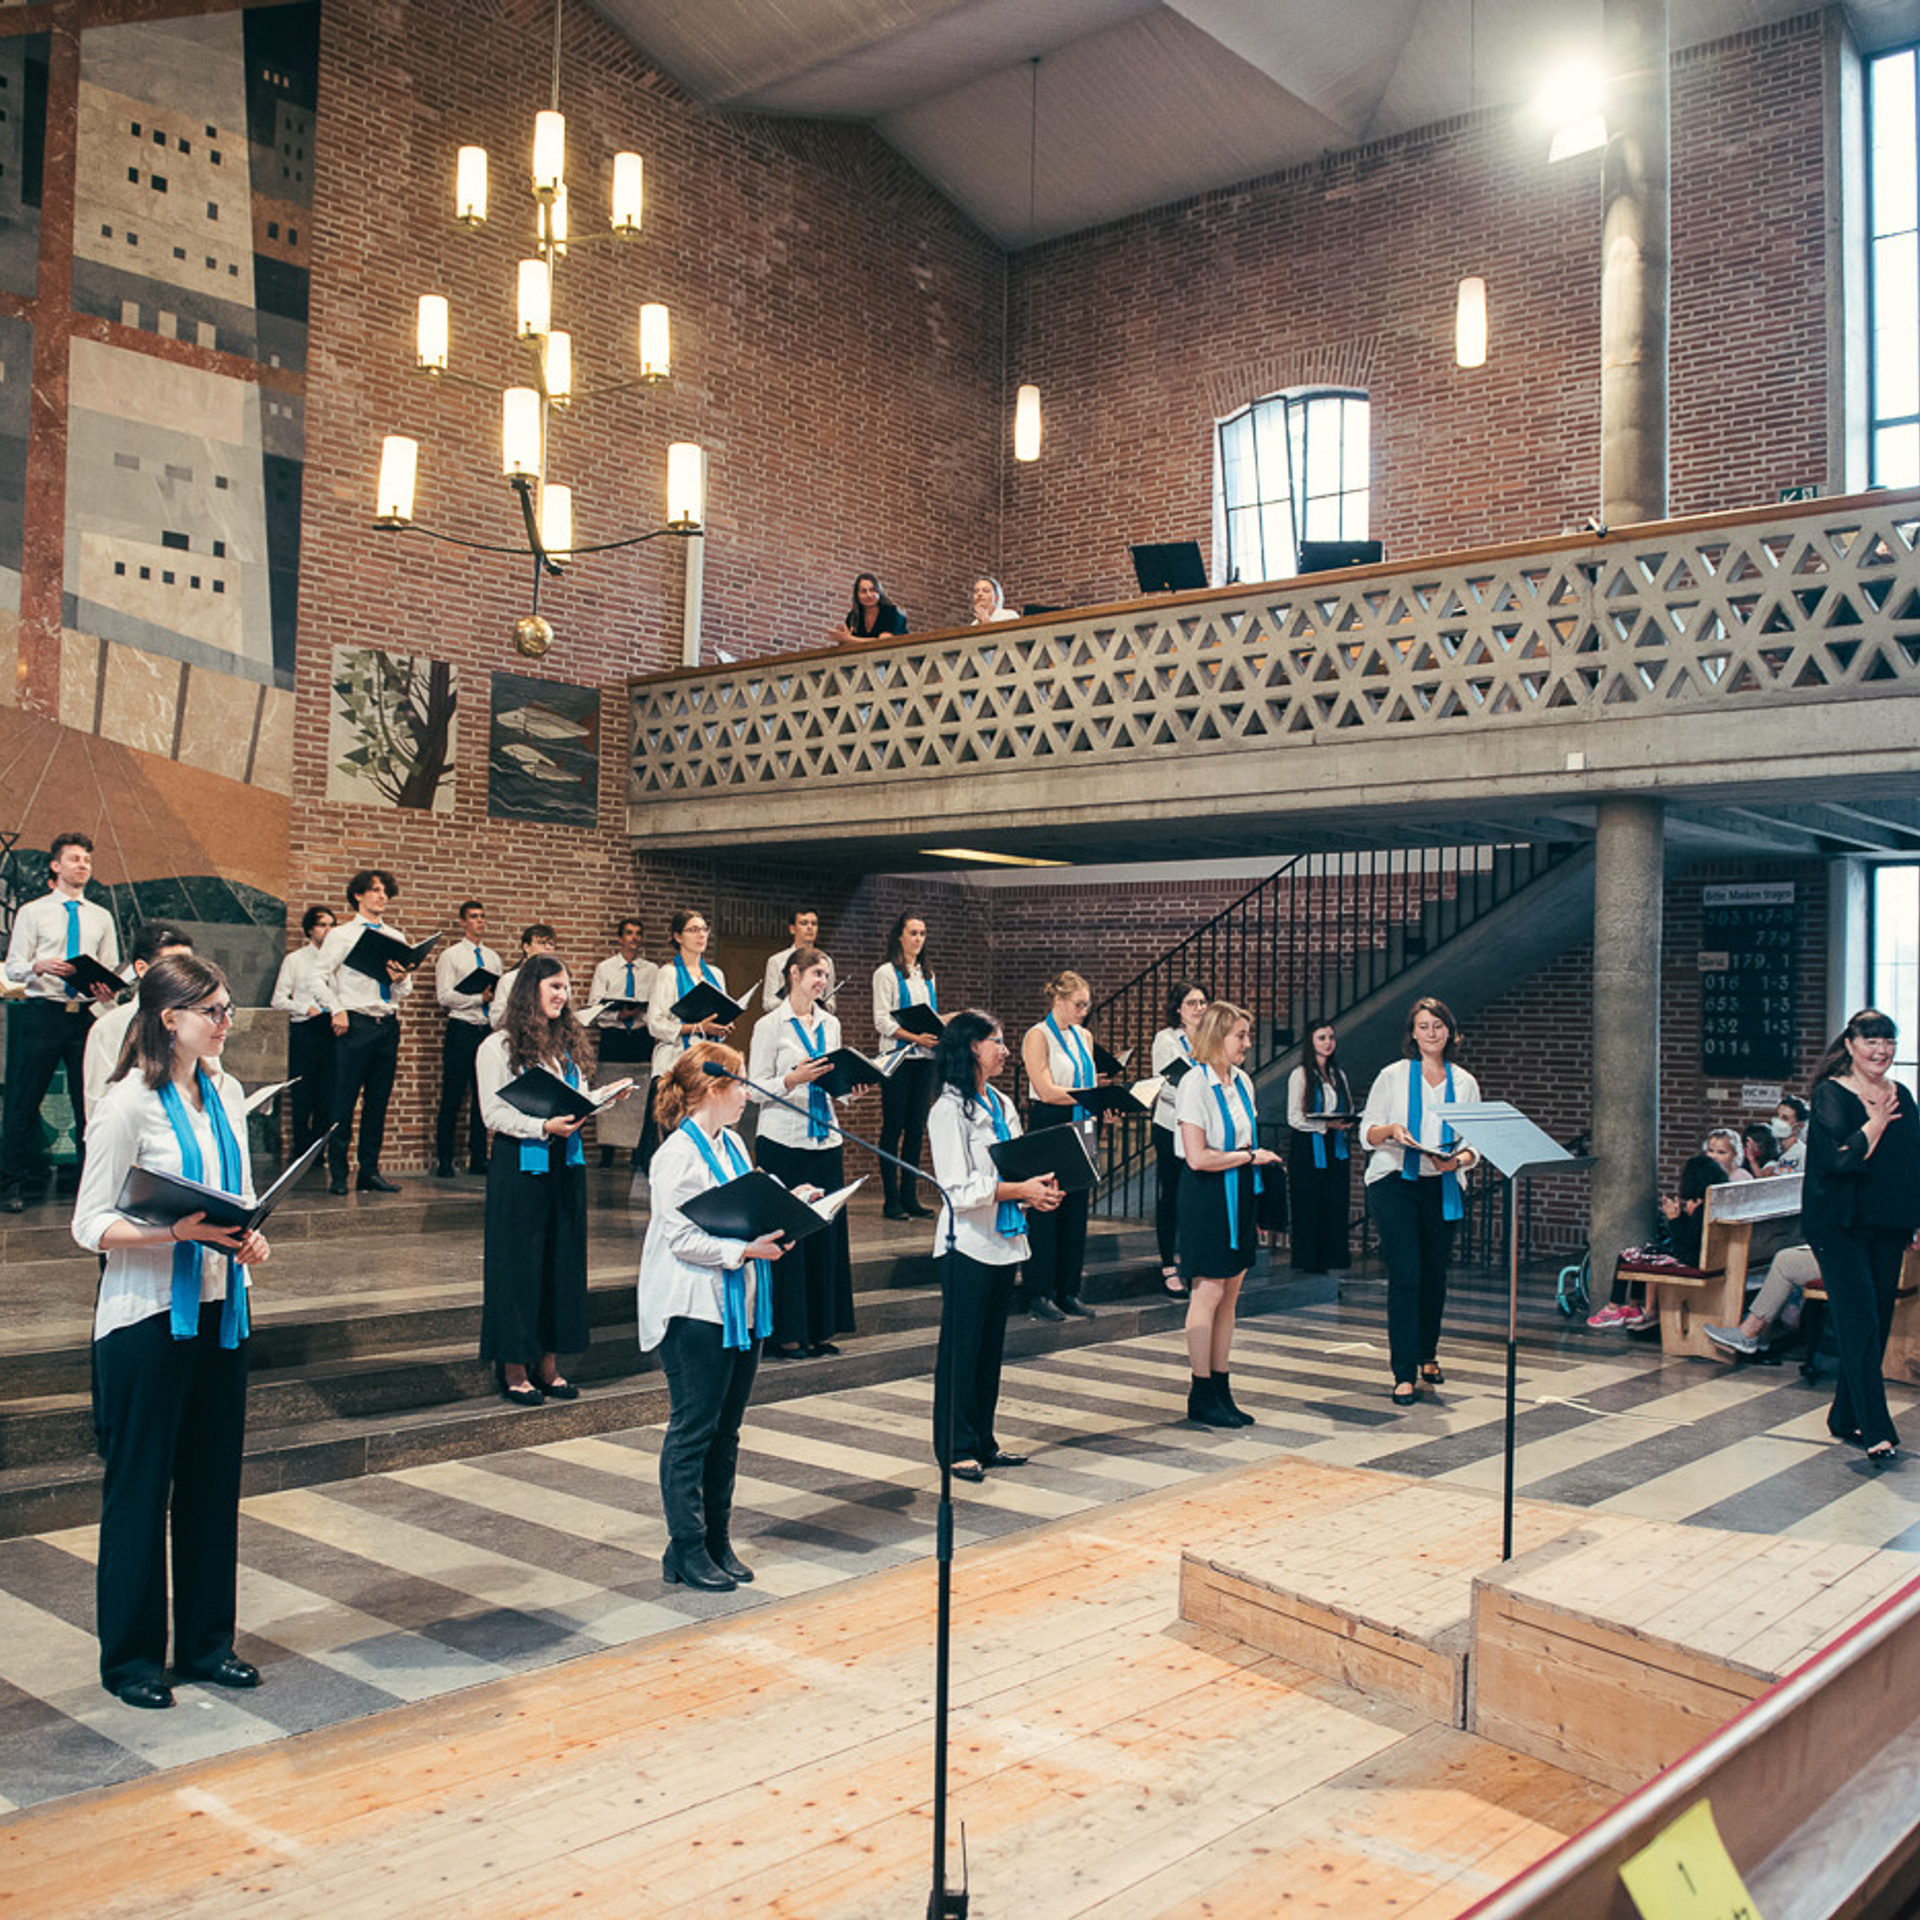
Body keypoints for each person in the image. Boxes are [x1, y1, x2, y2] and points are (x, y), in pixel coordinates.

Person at [72, 953, 269, 1709]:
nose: (225, 1024)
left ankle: (207, 1645)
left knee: (213, 1489)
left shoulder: (227, 1092)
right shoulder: (127, 1103)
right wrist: (174, 1233)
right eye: (212, 1011)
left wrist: (252, 1238)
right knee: (139, 1492)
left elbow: (242, 1198)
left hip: (223, 1311)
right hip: (146, 1321)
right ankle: (131, 1661)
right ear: (169, 1019)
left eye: (226, 1010)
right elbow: (88, 1225)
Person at [637, 1044, 788, 1593]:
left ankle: (717, 1539)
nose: (748, 1092)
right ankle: (686, 1547)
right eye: (741, 1083)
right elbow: (681, 1237)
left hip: (738, 1304)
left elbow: (743, 1210)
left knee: (727, 1431)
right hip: (694, 1307)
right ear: (712, 1088)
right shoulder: (678, 1154)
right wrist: (743, 1251)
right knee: (693, 1430)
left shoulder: (734, 1147)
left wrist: (790, 1206)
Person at [927, 1010, 1062, 1482]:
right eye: (997, 1042)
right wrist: (1020, 1190)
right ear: (971, 1048)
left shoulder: (1001, 1102)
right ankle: (955, 1446)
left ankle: (983, 1440)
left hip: (1003, 1241)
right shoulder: (947, 1110)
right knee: (961, 1352)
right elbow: (957, 1189)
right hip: (967, 1245)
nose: (1005, 1050)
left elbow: (1018, 1163)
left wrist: (1038, 1190)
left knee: (988, 1351)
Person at [476, 956, 616, 1406]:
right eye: (554, 986)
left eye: (566, 987)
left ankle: (549, 1366)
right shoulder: (496, 1046)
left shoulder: (565, 1046)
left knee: (561, 1263)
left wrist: (601, 1101)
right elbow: (492, 1113)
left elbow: (570, 1101)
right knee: (519, 1266)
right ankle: (514, 1368)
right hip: (521, 1165)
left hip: (566, 1164)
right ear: (529, 990)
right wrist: (542, 1128)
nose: (563, 995)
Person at [1801, 1008, 1920, 1464]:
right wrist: (1874, 1122)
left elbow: (1911, 1161)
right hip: (1837, 1225)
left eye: (1888, 1041)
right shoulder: (1832, 1093)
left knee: (1879, 1319)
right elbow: (1840, 1161)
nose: (1881, 1051)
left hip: (1886, 1224)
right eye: (1871, 1041)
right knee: (1859, 1321)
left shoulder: (1902, 1095)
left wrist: (1914, 1218)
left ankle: (1843, 1414)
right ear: (1850, 1045)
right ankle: (1876, 1426)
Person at [1362, 996, 1482, 1406]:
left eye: (1438, 1026)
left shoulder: (1464, 1082)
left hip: (1441, 1184)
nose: (1432, 1033)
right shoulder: (1393, 1076)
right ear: (1412, 1033)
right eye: (1424, 1026)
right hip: (1394, 1180)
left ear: (1449, 1031)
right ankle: (1403, 1372)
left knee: (1434, 1274)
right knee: (1406, 1273)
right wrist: (1390, 1130)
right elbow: (1367, 1130)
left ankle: (1428, 1352)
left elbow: (1473, 1145)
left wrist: (1458, 1162)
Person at [1176, 999, 1283, 1427]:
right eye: (1240, 1035)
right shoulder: (1193, 1083)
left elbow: (1243, 1141)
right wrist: (1250, 1156)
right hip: (1206, 1194)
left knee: (1231, 1293)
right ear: (1217, 1035)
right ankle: (1200, 1391)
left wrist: (1250, 1163)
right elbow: (1197, 1157)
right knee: (1208, 1292)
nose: (1246, 1043)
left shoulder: (1241, 1081)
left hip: (1240, 1190)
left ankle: (1221, 1387)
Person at [748, 948, 859, 1358]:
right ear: (793, 974)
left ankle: (820, 1328)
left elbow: (833, 1080)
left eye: (826, 976)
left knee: (824, 1233)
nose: (822, 982)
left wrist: (850, 1089)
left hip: (824, 1139)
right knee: (789, 1236)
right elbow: (753, 1088)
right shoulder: (769, 1025)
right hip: (783, 1141)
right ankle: (787, 1332)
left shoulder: (831, 1023)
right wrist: (791, 1079)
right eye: (815, 973)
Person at [2, 831, 121, 1212]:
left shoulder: (101, 917)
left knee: (90, 1104)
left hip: (84, 1016)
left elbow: (111, 967)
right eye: (74, 859)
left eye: (86, 860)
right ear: (56, 865)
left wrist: (107, 991)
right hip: (43, 1013)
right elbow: (14, 968)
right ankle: (10, 1186)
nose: (82, 865)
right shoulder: (33, 912)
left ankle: (91, 1185)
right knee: (23, 1101)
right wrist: (38, 965)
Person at [317, 869, 414, 1195]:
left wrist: (400, 980)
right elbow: (318, 978)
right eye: (374, 890)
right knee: (343, 1100)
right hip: (354, 1024)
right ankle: (340, 1174)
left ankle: (369, 1172)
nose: (381, 896)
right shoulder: (341, 935)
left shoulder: (396, 936)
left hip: (386, 1025)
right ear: (358, 895)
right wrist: (337, 1008)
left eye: (385, 891)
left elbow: (405, 988)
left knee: (378, 1103)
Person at [1020, 969, 1103, 1320]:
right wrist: (1089, 1096)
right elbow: (1044, 1088)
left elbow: (1089, 1079)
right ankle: (1039, 1292)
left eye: (1087, 1005)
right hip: (1049, 1121)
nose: (1084, 1010)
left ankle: (1069, 1290)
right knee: (1046, 1210)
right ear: (1059, 999)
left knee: (1076, 1210)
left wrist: (1103, 1101)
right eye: (1078, 1004)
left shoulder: (1083, 1035)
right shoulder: (1038, 1035)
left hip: (1080, 1120)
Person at [1588, 1153, 1731, 1331]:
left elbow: (1687, 1241)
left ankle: (1613, 1308)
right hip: (1709, 1258)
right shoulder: (1716, 1203)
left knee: (1627, 1256)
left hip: (1691, 1261)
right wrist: (1685, 1215)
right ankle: (1633, 1308)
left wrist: (1673, 1218)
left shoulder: (1703, 1209)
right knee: (1644, 1252)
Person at [84, 924, 194, 1117]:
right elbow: (97, 1101)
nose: (184, 975)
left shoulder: (197, 1019)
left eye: (189, 966)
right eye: (173, 965)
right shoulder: (109, 1027)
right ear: (142, 969)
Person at [871, 913, 941, 1220]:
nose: (918, 939)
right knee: (893, 1127)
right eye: (913, 933)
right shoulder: (885, 973)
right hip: (897, 1059)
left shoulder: (927, 974)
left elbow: (929, 1013)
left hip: (924, 1060)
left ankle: (910, 1195)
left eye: (923, 934)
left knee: (916, 1129)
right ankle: (891, 1199)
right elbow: (882, 1020)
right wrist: (916, 1037)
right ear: (899, 936)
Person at [433, 900, 500, 1178]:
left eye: (483, 917)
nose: (480, 922)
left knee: (482, 1096)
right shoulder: (451, 956)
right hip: (461, 1029)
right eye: (474, 917)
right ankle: (445, 1160)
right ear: (463, 922)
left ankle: (478, 1157)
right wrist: (477, 998)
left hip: (485, 1030)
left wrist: (491, 1001)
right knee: (453, 1095)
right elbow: (444, 996)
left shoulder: (493, 958)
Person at [1149, 982, 1207, 1292]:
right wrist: (1193, 1094)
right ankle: (1168, 1264)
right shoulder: (1167, 1039)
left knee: (1196, 1195)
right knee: (1170, 1195)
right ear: (1178, 1009)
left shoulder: (1210, 1039)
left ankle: (1193, 1258)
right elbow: (1164, 1086)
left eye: (1202, 1002)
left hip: (1201, 1127)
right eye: (1192, 1002)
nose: (1200, 1007)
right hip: (1171, 1125)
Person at [1287, 1017, 1355, 1276]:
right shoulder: (1300, 1074)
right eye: (1322, 1038)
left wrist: (1346, 1121)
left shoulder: (1339, 1074)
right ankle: (1308, 1262)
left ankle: (1329, 1260)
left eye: (1331, 1038)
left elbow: (1345, 1108)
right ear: (1310, 1042)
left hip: (1335, 1147)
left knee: (1333, 1203)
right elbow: (1294, 1117)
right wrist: (1326, 1126)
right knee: (1308, 1203)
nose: (1328, 1043)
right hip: (1308, 1145)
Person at [270, 907, 340, 1156]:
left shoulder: (339, 961)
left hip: (333, 1030)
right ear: (310, 929)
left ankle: (318, 1153)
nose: (328, 930)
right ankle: (300, 1152)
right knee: (303, 1094)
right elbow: (278, 999)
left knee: (329, 1094)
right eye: (322, 925)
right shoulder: (295, 960)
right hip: (306, 1029)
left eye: (332, 925)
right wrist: (305, 1008)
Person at [589, 917, 656, 1169]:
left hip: (640, 1037)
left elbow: (658, 1004)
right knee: (610, 1090)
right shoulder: (605, 968)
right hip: (614, 1036)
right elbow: (595, 1006)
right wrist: (618, 1014)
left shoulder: (652, 970)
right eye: (629, 933)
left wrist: (641, 1012)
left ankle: (638, 1153)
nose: (634, 938)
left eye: (638, 933)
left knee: (640, 1095)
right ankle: (607, 1153)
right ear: (620, 939)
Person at [647, 909, 733, 1101]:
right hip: (674, 1063)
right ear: (678, 936)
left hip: (707, 1064)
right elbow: (655, 1024)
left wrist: (722, 1025)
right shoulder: (668, 973)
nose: (701, 935)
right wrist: (696, 1027)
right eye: (693, 930)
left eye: (704, 929)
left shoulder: (716, 974)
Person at [763, 909, 836, 1007]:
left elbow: (830, 998)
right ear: (792, 929)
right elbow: (768, 1002)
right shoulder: (776, 961)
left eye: (814, 924)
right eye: (804, 923)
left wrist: (824, 1007)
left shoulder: (826, 961)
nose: (810, 927)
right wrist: (797, 1006)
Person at [490, 925, 558, 1028]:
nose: (548, 947)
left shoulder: (558, 981)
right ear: (526, 947)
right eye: (541, 943)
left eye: (551, 944)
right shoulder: (509, 980)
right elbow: (496, 1021)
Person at [829, 571, 908, 645]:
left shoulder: (892, 612)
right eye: (863, 591)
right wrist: (842, 638)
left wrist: (849, 639)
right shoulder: (854, 616)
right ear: (857, 596)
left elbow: (883, 643)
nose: (869, 595)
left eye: (872, 590)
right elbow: (847, 644)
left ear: (879, 592)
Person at [1773, 1094, 1810, 1172]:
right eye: (1777, 1116)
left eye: (1785, 1118)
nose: (1778, 1121)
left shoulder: (1800, 1154)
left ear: (1799, 1126)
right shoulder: (1776, 1149)